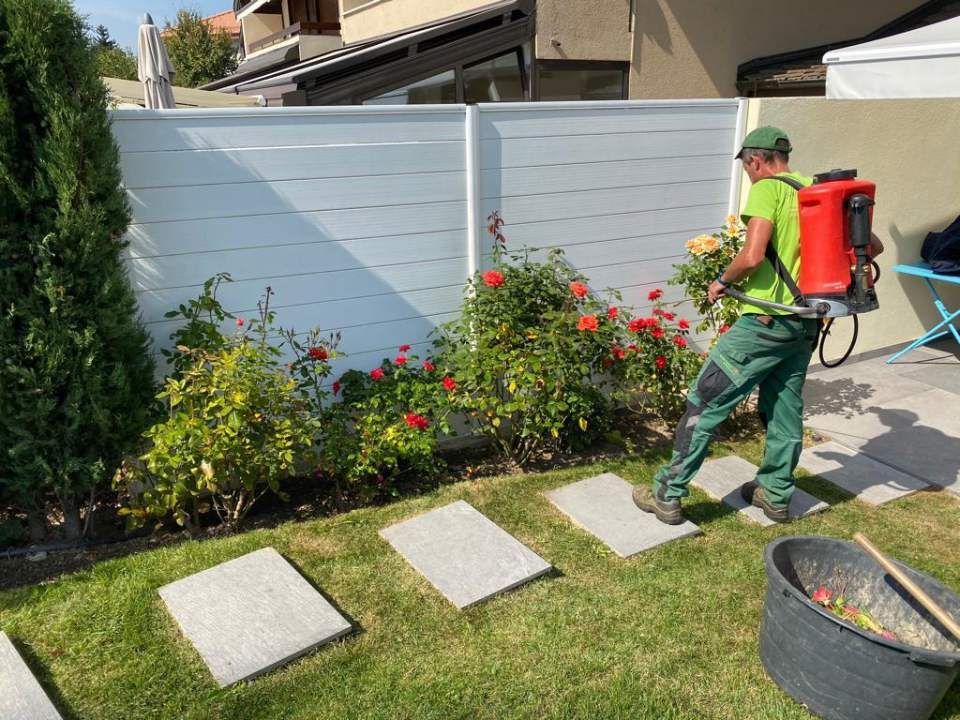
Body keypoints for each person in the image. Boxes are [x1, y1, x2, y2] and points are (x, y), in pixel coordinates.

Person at [632, 126, 883, 524]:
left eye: (748, 167)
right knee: (784, 410)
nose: (749, 174)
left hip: (764, 323)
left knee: (706, 400)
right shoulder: (815, 191)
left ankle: (667, 492)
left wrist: (721, 281)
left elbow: (751, 256)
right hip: (804, 324)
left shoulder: (768, 188)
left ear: (756, 160)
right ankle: (776, 494)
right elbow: (874, 246)